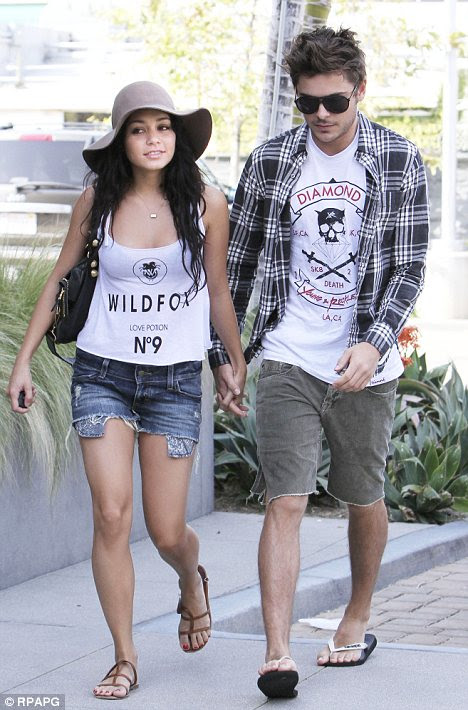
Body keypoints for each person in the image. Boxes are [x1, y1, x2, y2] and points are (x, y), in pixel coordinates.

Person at [7, 81, 247, 700]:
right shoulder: (97, 201)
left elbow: (217, 291)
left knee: (167, 531)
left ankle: (190, 581)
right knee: (111, 514)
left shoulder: (208, 203)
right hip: (103, 374)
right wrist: (24, 362)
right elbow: (60, 276)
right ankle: (124, 656)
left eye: (163, 128)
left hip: (172, 381)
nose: (154, 139)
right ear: (122, 140)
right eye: (140, 129)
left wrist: (231, 362)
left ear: (179, 138)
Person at [210, 27, 429, 699]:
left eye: (334, 102)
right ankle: (278, 653)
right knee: (285, 500)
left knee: (364, 497)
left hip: (366, 363)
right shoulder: (272, 161)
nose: (323, 118)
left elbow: (408, 265)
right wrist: (227, 354)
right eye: (308, 105)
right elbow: (235, 267)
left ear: (360, 90)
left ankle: (357, 613)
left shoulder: (398, 159)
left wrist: (377, 341)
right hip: (287, 356)